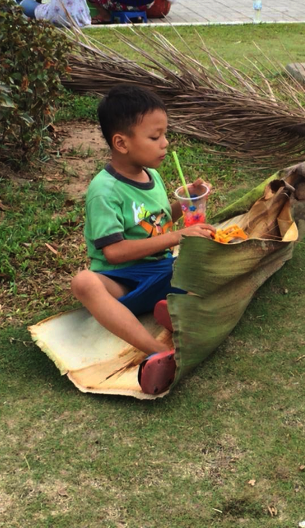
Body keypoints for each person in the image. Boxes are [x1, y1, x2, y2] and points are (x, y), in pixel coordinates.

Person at [69, 86, 217, 395]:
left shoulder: (153, 176)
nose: (165, 143)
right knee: (83, 283)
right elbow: (114, 252)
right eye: (154, 137)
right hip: (121, 280)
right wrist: (177, 235)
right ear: (121, 143)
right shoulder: (104, 191)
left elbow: (158, 223)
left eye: (164, 135)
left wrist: (187, 202)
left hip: (161, 270)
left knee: (208, 260)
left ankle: (172, 312)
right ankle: (156, 349)